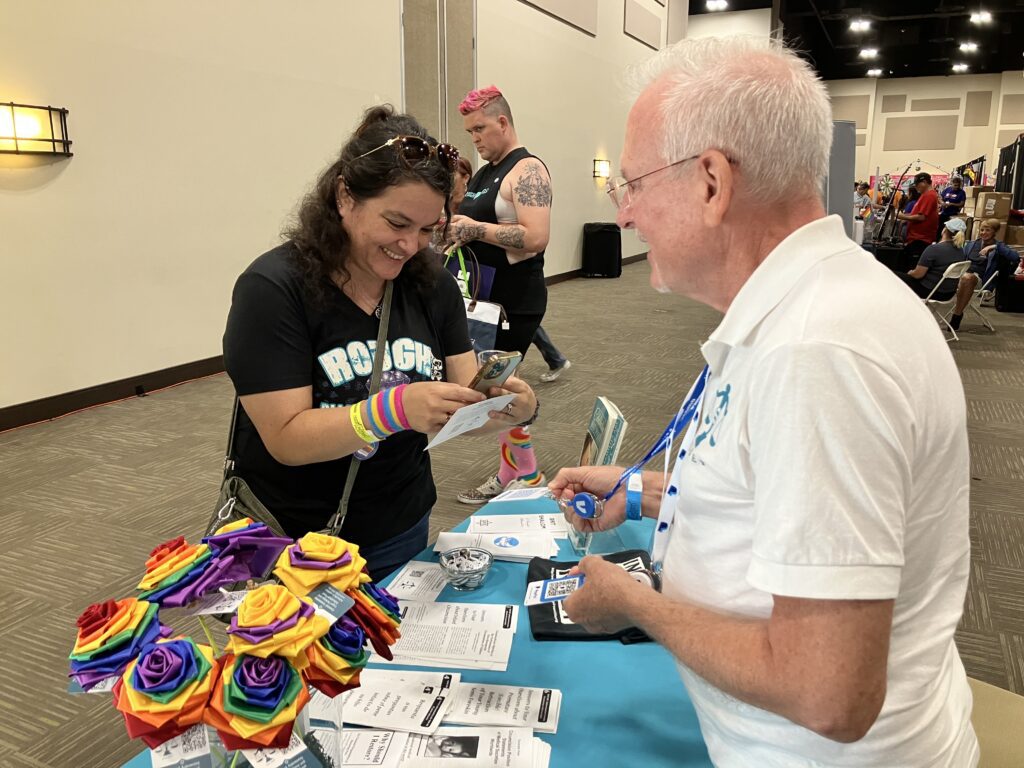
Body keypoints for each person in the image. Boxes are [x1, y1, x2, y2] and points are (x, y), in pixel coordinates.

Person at [549, 36, 977, 766]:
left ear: (711, 182)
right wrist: (647, 492)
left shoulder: (817, 352)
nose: (625, 216)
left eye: (634, 186)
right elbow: (775, 492)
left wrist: (632, 601)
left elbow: (828, 693)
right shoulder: (805, 307)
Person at [222, 106, 538, 580]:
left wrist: (506, 406)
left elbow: (459, 402)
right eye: (396, 223)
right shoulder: (273, 289)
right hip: (293, 543)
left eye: (428, 230)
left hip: (399, 524)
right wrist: (393, 410)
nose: (410, 245)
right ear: (345, 196)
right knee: (304, 655)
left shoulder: (432, 285)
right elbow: (285, 438)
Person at [450, 86, 553, 504]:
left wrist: (474, 229)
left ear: (503, 122)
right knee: (495, 386)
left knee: (501, 386)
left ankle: (524, 472)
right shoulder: (484, 172)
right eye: (469, 131)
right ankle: (515, 468)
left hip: (515, 301)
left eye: (479, 129)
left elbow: (536, 237)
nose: (474, 139)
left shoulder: (527, 171)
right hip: (483, 298)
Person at [949, 217, 1019, 328]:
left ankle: (956, 315)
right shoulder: (971, 244)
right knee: (962, 276)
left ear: (994, 232)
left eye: (987, 230)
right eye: (982, 230)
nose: (983, 233)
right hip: (962, 275)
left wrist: (994, 246)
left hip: (981, 280)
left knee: (967, 278)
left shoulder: (999, 247)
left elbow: (1015, 257)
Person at [897, 217, 967, 299]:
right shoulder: (961, 251)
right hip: (948, 294)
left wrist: (910, 273)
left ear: (944, 230)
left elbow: (918, 275)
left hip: (929, 291)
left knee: (893, 275)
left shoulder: (934, 249)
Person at [896, 172, 939, 261]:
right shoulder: (925, 195)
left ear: (924, 182)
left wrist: (902, 217)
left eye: (917, 184)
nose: (916, 187)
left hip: (920, 240)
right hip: (917, 239)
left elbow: (921, 217)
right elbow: (918, 214)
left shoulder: (929, 195)